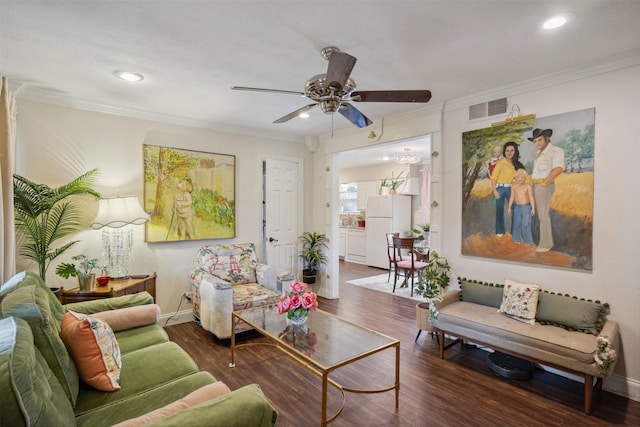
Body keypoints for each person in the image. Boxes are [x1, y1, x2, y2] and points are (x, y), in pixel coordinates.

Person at [529, 128, 565, 253]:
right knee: (537, 214)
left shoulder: (556, 151)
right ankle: (537, 241)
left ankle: (546, 244)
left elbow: (559, 168)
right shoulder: (538, 153)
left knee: (543, 215)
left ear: (546, 139)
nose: (537, 143)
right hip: (535, 185)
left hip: (543, 186)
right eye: (535, 141)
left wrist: (545, 182)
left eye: (540, 140)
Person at [490, 141, 525, 236]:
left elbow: (521, 178)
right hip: (500, 188)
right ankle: (500, 231)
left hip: (511, 189)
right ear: (504, 152)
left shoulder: (517, 165)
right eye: (507, 150)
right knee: (499, 209)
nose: (509, 152)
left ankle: (515, 232)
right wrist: (494, 190)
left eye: (512, 150)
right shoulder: (500, 163)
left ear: (515, 151)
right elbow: (493, 178)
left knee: (516, 208)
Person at [508, 168, 536, 245]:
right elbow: (512, 197)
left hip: (526, 207)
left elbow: (531, 197)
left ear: (525, 178)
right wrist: (509, 207)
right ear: (516, 178)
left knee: (526, 224)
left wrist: (533, 207)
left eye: (522, 177)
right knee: (516, 223)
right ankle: (516, 240)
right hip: (517, 207)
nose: (520, 179)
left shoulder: (528, 186)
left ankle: (528, 241)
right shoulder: (513, 187)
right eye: (518, 177)